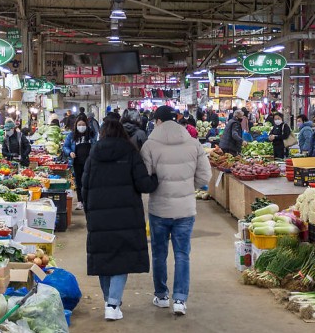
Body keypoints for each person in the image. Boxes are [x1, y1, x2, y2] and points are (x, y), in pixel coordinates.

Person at [80, 119, 159, 321]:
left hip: (99, 215)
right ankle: (113, 303)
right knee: (121, 259)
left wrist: (89, 212)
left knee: (103, 258)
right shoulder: (131, 152)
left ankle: (109, 301)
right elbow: (143, 184)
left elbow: (85, 186)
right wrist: (155, 179)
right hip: (126, 216)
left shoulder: (94, 154)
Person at [140, 105, 211, 316]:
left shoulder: (150, 145)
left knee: (159, 254)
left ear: (158, 121)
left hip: (159, 208)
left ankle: (161, 296)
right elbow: (205, 177)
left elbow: (146, 176)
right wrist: (191, 187)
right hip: (186, 210)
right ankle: (180, 300)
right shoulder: (193, 143)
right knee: (182, 254)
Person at [64, 115, 95, 209]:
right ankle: (80, 201)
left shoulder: (92, 135)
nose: (81, 126)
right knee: (78, 182)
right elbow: (65, 146)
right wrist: (70, 153)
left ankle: (89, 201)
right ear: (76, 125)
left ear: (87, 125)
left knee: (89, 181)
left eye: (83, 124)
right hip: (77, 162)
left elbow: (96, 145)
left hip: (90, 162)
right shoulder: (71, 135)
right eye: (79, 124)